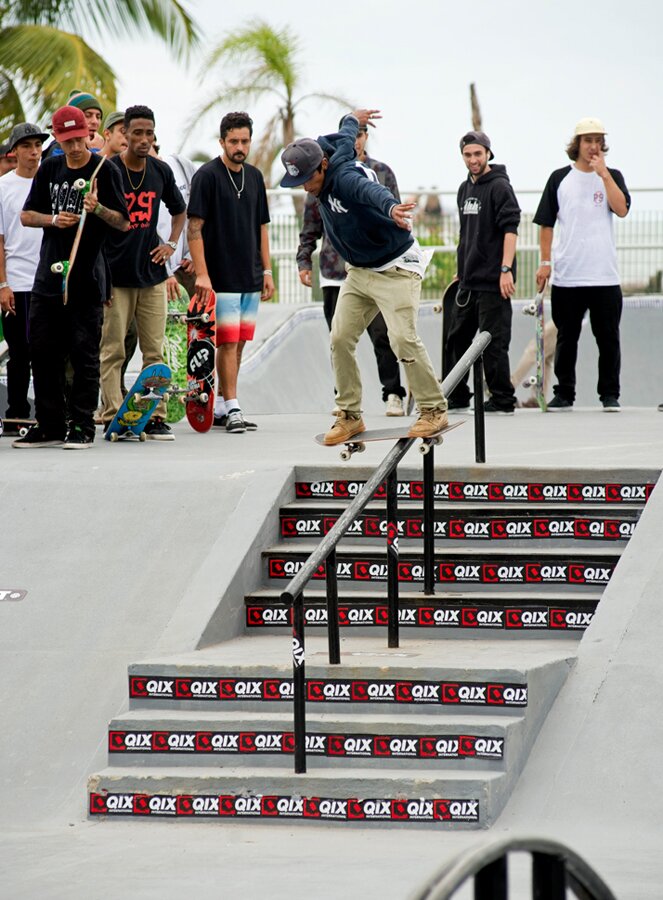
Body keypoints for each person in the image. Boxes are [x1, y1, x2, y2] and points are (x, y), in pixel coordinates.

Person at [280, 109, 447, 444]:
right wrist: (351, 117)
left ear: (323, 166)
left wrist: (391, 208)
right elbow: (345, 132)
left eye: (309, 180)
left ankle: (433, 409)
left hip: (396, 267)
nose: (307, 188)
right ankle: (350, 415)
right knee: (340, 337)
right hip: (358, 272)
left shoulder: (344, 178)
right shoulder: (330, 150)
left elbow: (369, 191)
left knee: (401, 339)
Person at [14, 105, 129, 448]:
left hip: (87, 276)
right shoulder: (50, 167)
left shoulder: (104, 170)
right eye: (68, 142)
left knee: (84, 354)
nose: (75, 147)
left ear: (88, 135)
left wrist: (98, 209)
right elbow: (26, 215)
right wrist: (52, 220)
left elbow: (124, 222)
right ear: (58, 139)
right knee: (42, 352)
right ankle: (49, 424)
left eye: (80, 139)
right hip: (48, 277)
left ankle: (82, 425)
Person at [297, 119, 407, 417]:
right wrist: (304, 259)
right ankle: (344, 397)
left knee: (383, 334)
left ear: (366, 137)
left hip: (374, 267)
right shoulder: (317, 176)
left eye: (361, 135)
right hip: (335, 271)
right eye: (352, 136)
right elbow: (310, 225)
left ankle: (393, 393)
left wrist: (393, 214)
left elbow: (388, 204)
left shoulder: (381, 172)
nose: (357, 141)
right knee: (340, 337)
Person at [100, 105, 186, 440]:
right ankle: (112, 413)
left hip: (151, 274)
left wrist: (171, 244)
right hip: (116, 276)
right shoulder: (109, 170)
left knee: (154, 352)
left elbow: (179, 211)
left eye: (150, 133)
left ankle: (155, 416)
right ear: (125, 133)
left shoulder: (160, 170)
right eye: (138, 133)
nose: (145, 140)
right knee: (113, 350)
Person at [534, 117, 630, 412]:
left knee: (608, 338)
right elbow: (546, 223)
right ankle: (564, 393)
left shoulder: (612, 176)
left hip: (604, 275)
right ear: (577, 144)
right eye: (588, 140)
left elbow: (621, 209)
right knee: (567, 337)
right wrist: (545, 262)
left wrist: (604, 175)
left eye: (598, 140)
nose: (593, 146)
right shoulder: (559, 178)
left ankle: (610, 394)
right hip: (569, 275)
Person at [187, 111, 274, 434]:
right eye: (234, 141)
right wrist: (202, 274)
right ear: (222, 141)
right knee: (226, 342)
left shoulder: (254, 177)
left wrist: (267, 271)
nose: (240, 147)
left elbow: (261, 227)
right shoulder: (207, 176)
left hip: (250, 275)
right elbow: (194, 229)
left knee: (239, 344)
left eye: (245, 141)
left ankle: (223, 405)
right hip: (220, 277)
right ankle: (234, 406)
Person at [444, 131, 520, 414]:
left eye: (478, 154)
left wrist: (505, 269)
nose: (473, 159)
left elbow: (510, 229)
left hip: (493, 282)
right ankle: (458, 395)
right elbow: (466, 234)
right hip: (469, 281)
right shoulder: (464, 189)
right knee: (456, 340)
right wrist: (461, 270)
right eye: (468, 155)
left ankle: (502, 399)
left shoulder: (500, 187)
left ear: (488, 153)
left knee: (493, 344)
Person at [0, 123, 50, 431]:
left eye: (38, 146)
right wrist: (3, 284)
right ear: (14, 152)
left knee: (48, 352)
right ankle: (16, 413)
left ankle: (48, 413)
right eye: (27, 146)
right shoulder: (3, 187)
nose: (34, 152)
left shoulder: (50, 181)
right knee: (19, 352)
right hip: (17, 280)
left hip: (49, 280)